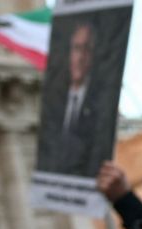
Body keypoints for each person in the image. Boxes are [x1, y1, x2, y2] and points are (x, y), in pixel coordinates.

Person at [38, 22, 116, 177]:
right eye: (77, 48)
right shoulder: (54, 102)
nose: (80, 58)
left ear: (95, 55)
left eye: (87, 50)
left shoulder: (102, 106)